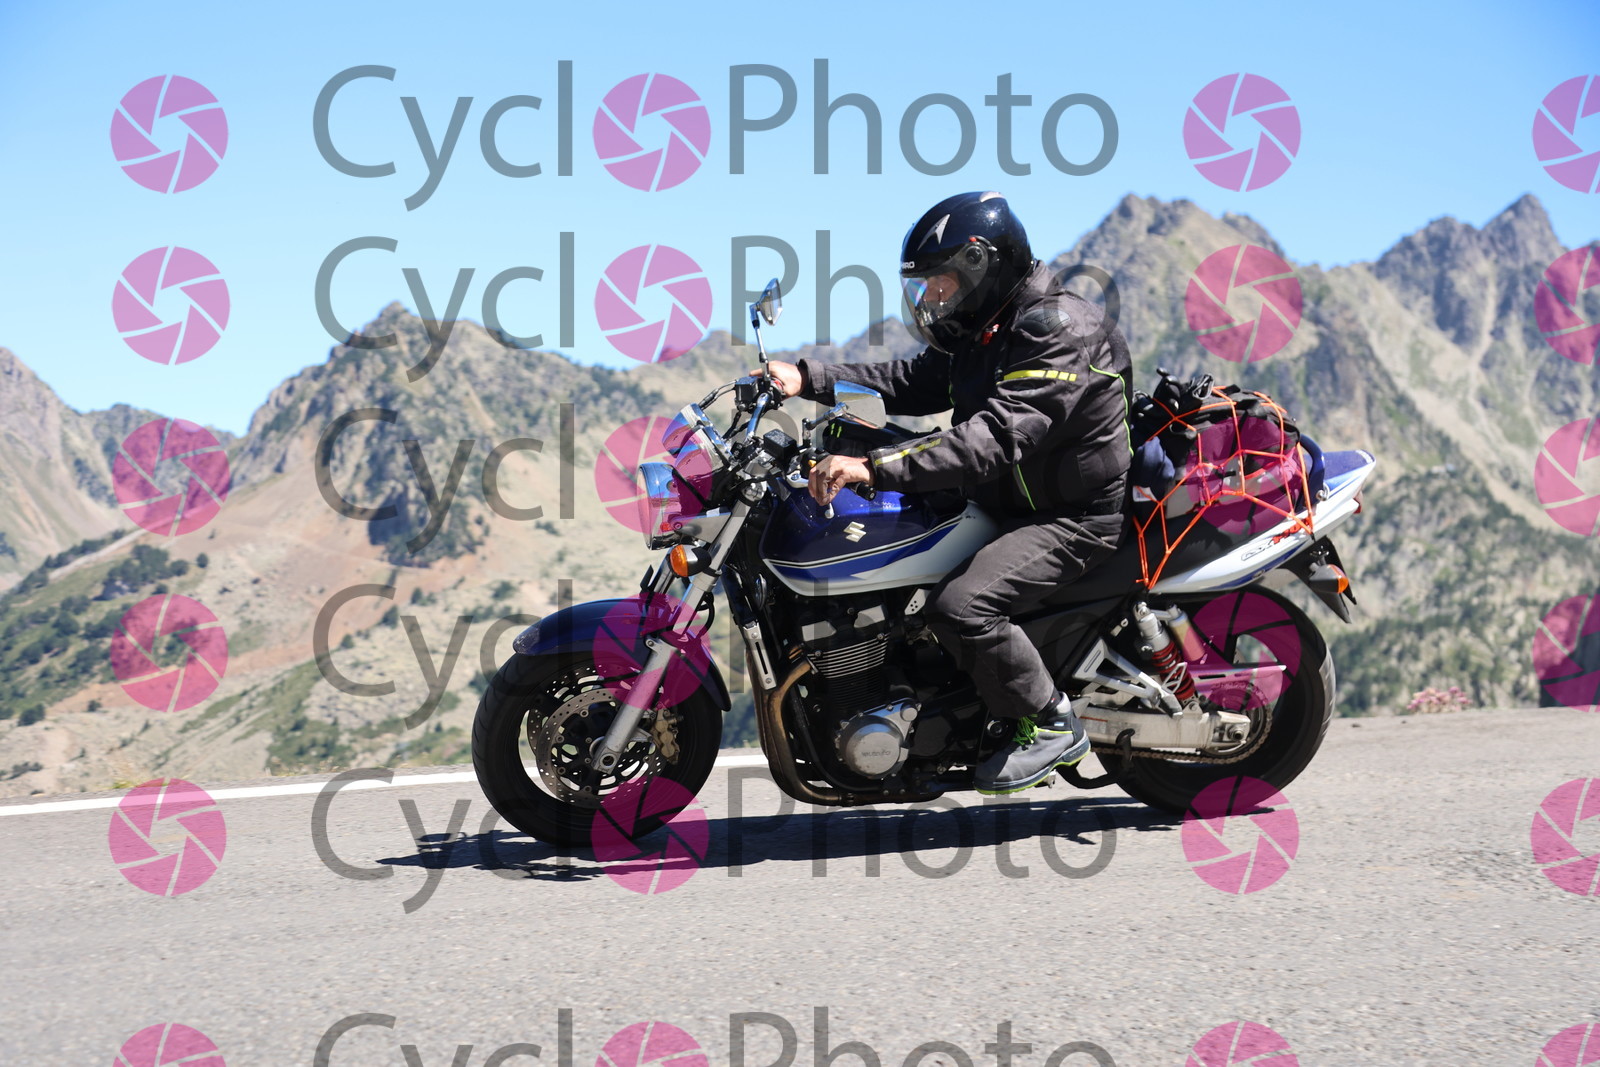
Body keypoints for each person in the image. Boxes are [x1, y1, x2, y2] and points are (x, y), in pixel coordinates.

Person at [761, 191, 1133, 794]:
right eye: (927, 284)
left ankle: (1050, 722)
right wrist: (809, 378)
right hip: (1004, 502)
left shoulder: (1057, 329)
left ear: (982, 265)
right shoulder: (986, 328)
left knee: (962, 606)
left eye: (942, 282)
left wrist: (872, 467)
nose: (932, 296)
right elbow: (912, 381)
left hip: (1070, 517)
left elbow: (996, 437)